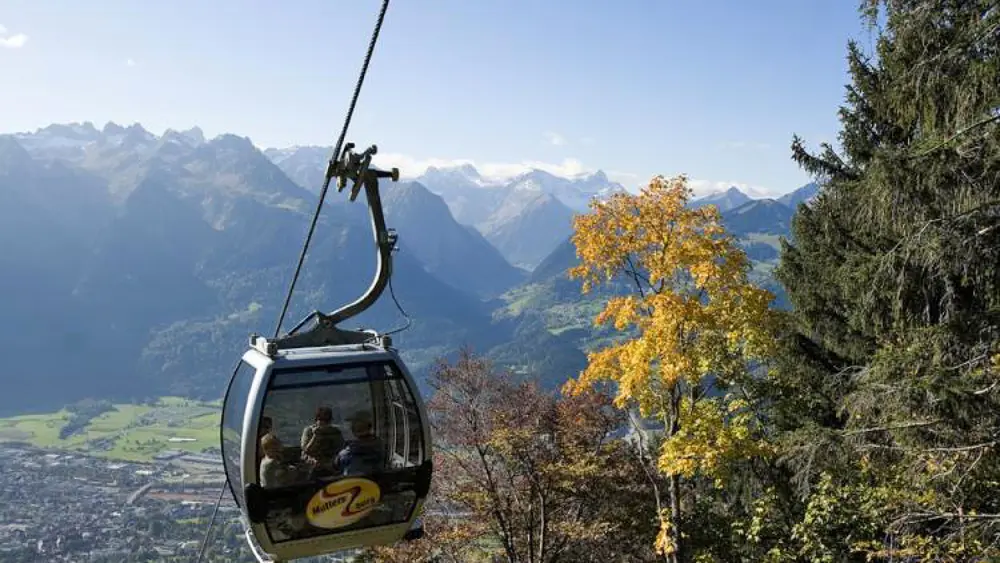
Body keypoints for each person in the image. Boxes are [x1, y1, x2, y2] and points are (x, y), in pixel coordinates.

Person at [337, 411, 384, 475]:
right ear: (370, 428)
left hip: (351, 483)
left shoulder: (348, 452)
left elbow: (336, 463)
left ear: (354, 431)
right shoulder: (380, 446)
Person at [300, 406, 344, 476]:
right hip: (312, 462)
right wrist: (316, 435)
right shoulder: (309, 431)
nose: (324, 423)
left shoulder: (335, 431)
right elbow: (306, 450)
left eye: (326, 420)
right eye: (321, 419)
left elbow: (340, 449)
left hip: (330, 462)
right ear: (316, 420)